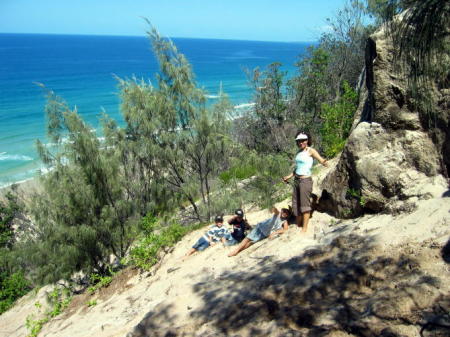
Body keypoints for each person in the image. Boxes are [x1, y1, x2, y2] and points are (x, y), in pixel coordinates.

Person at [282, 131, 328, 233]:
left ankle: (304, 228)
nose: (301, 142)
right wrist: (288, 176)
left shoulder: (311, 151)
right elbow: (298, 168)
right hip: (296, 180)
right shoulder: (298, 153)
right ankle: (298, 224)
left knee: (304, 205)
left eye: (303, 140)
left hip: (305, 181)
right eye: (299, 141)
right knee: (296, 203)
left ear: (307, 140)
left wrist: (326, 162)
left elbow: (321, 160)